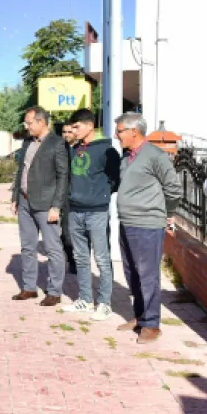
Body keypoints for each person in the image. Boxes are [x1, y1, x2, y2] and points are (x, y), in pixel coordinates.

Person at [114, 113, 182, 344]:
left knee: (148, 274)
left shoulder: (155, 155)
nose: (117, 135)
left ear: (134, 131)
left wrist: (166, 213)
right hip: (127, 222)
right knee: (132, 272)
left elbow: (173, 189)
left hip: (147, 225)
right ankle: (140, 316)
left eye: (120, 130)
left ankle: (152, 324)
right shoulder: (126, 158)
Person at [64, 109, 120, 321]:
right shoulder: (75, 149)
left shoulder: (107, 150)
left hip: (97, 210)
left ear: (89, 125)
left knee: (102, 258)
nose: (73, 131)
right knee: (80, 257)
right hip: (75, 209)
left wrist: (100, 194)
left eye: (76, 127)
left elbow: (115, 179)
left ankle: (104, 303)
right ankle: (85, 299)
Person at [10, 106, 70, 306]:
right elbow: (22, 170)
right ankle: (29, 288)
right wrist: (15, 197)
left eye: (29, 123)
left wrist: (56, 206)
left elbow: (63, 176)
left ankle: (54, 291)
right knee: (27, 246)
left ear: (42, 122)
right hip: (25, 200)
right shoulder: (28, 142)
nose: (26, 127)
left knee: (53, 248)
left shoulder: (57, 143)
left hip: (46, 204)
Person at [60, 124, 78, 275]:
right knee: (66, 233)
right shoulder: (60, 149)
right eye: (64, 132)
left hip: (80, 196)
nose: (66, 135)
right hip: (64, 196)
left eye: (69, 132)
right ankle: (71, 260)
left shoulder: (82, 149)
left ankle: (79, 260)